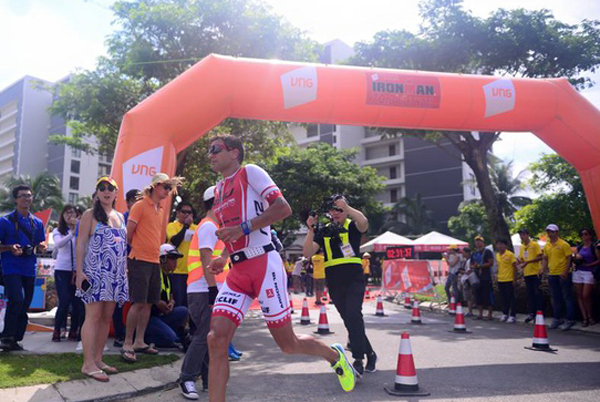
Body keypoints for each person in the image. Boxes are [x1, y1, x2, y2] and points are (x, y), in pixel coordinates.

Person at [206, 135, 356, 402]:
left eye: (215, 149)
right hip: (238, 272)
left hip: (264, 264)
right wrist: (223, 256)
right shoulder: (218, 190)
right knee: (216, 338)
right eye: (209, 151)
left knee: (288, 345)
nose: (210, 155)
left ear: (234, 152)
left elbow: (283, 208)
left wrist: (243, 228)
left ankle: (334, 356)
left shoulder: (250, 172)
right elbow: (231, 232)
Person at [304, 194, 377, 377]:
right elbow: (307, 252)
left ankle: (358, 359)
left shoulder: (352, 226)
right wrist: (310, 229)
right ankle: (370, 353)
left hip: (354, 277)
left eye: (340, 209)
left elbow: (364, 223)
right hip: (334, 279)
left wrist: (348, 208)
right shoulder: (324, 230)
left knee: (353, 315)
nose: (336, 213)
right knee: (349, 320)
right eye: (333, 209)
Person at [123, 173, 183, 362]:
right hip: (139, 260)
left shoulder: (161, 209)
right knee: (138, 303)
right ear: (155, 186)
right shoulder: (140, 205)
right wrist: (139, 249)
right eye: (166, 187)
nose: (168, 191)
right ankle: (127, 342)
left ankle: (139, 341)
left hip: (154, 261)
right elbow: (129, 234)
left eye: (170, 188)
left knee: (149, 302)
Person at [75, 177, 128, 382]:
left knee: (107, 317)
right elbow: (80, 243)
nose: (106, 191)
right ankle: (87, 363)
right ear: (97, 192)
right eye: (102, 188)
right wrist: (80, 271)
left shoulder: (120, 216)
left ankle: (98, 359)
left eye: (110, 188)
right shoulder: (90, 215)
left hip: (115, 275)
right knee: (93, 316)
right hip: (95, 273)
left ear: (116, 193)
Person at [179, 185, 226, 399]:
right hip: (203, 289)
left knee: (210, 336)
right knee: (203, 336)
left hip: (207, 288)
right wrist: (213, 289)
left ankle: (208, 379)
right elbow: (206, 259)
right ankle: (186, 378)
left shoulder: (215, 226)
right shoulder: (208, 227)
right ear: (216, 202)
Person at [0, 184, 46, 351]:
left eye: (29, 196)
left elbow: (40, 242)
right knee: (16, 300)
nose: (27, 199)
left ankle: (15, 339)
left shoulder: (37, 222)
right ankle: (6, 336)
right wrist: (10, 247)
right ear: (15, 200)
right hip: (10, 268)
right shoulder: (5, 221)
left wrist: (41, 246)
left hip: (29, 268)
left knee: (25, 304)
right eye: (23, 196)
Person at [145, 244, 189, 348]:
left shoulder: (167, 276)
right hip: (149, 318)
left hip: (162, 315)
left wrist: (172, 303)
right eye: (172, 258)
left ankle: (176, 335)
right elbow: (144, 296)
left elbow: (171, 295)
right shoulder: (154, 274)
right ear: (162, 259)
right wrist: (157, 302)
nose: (175, 262)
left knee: (183, 311)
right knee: (170, 338)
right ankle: (145, 338)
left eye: (176, 259)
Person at [52, 204, 84, 342]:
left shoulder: (82, 230)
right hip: (62, 270)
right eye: (67, 213)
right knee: (64, 301)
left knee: (77, 302)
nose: (70, 216)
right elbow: (58, 244)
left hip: (77, 270)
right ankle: (57, 329)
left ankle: (74, 330)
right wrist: (72, 233)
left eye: (72, 213)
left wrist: (78, 229)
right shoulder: (58, 231)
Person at [113, 188, 141, 348]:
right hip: (123, 264)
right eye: (136, 200)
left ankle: (134, 336)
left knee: (137, 301)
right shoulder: (121, 219)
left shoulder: (143, 219)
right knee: (119, 301)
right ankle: (119, 334)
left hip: (139, 263)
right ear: (129, 202)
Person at [542, 224, 576, 330]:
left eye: (552, 232)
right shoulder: (547, 245)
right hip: (552, 274)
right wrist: (544, 270)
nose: (550, 234)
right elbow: (545, 258)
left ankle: (570, 319)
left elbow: (569, 258)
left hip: (563, 274)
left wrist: (566, 271)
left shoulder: (564, 244)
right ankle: (557, 318)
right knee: (556, 298)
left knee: (567, 297)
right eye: (548, 232)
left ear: (557, 232)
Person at [167, 202, 198, 307]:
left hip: (192, 272)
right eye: (184, 212)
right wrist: (186, 226)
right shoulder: (172, 226)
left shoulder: (196, 228)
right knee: (178, 303)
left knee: (191, 304)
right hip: (177, 272)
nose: (187, 214)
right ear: (177, 213)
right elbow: (175, 241)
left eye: (189, 212)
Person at [516, 229, 544, 323]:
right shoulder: (522, 247)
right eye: (520, 235)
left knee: (537, 293)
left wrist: (528, 262)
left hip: (535, 272)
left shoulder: (534, 244)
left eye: (523, 234)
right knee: (530, 294)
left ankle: (539, 313)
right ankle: (532, 313)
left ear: (528, 235)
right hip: (527, 273)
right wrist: (518, 262)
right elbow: (522, 259)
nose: (522, 237)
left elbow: (540, 256)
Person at [573, 228, 598, 327]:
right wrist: (576, 258)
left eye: (586, 234)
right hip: (579, 271)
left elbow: (599, 259)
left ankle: (590, 316)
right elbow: (574, 258)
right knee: (579, 295)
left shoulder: (593, 246)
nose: (584, 236)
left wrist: (589, 264)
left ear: (590, 235)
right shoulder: (579, 247)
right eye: (582, 234)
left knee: (585, 295)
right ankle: (585, 317)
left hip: (589, 272)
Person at [471, 236, 494, 320]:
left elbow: (491, 263)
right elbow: (471, 264)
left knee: (488, 295)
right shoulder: (474, 253)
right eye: (476, 241)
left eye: (479, 241)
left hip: (486, 277)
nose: (478, 243)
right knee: (478, 295)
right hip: (477, 277)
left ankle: (490, 314)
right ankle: (480, 314)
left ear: (483, 242)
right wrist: (474, 266)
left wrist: (481, 265)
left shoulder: (487, 252)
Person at [495, 238, 517, 323]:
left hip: (509, 279)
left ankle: (513, 315)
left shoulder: (510, 254)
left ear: (505, 245)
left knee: (511, 297)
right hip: (501, 279)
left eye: (501, 244)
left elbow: (515, 267)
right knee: (503, 298)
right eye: (498, 244)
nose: (500, 246)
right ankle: (505, 313)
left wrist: (514, 279)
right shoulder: (497, 255)